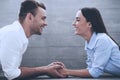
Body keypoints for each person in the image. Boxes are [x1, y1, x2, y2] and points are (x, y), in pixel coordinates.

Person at [0, 0, 66, 80]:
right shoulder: (13, 34)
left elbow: (14, 71)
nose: (46, 23)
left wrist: (46, 68)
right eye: (43, 18)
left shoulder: (18, 35)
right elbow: (12, 74)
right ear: (30, 17)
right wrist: (45, 70)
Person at [59, 7, 120, 78]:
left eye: (78, 20)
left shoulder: (102, 40)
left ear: (89, 24)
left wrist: (65, 71)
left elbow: (94, 73)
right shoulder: (90, 41)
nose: (73, 23)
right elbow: (90, 69)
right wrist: (65, 71)